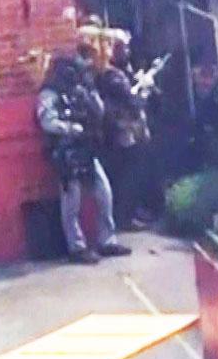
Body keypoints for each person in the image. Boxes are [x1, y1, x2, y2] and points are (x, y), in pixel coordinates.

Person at [36, 55, 131, 264]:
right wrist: (70, 128)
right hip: (66, 152)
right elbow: (47, 121)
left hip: (87, 148)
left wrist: (91, 93)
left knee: (104, 193)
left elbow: (99, 111)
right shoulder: (49, 93)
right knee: (72, 202)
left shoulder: (81, 90)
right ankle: (76, 247)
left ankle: (107, 240)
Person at [97, 34, 154, 230]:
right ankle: (125, 217)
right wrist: (145, 89)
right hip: (123, 133)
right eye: (124, 48)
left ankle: (128, 213)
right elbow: (133, 102)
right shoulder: (113, 75)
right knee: (128, 177)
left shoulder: (113, 73)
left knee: (124, 176)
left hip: (116, 132)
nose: (128, 52)